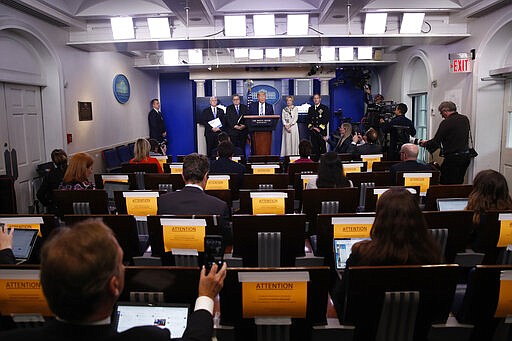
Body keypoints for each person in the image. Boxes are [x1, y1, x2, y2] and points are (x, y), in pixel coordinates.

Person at [0, 219, 227, 341]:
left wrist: (6, 255)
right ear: (114, 285)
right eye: (121, 264)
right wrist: (206, 297)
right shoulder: (147, 337)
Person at [158, 153, 232, 244]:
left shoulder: (162, 201)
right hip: (206, 257)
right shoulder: (219, 206)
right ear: (206, 177)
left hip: (170, 257)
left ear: (183, 176)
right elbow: (228, 240)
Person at [420, 101, 470, 184]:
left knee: (446, 183)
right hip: (465, 157)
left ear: (445, 111)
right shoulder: (465, 119)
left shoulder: (446, 122)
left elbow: (436, 141)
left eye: (441, 113)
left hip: (452, 159)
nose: (442, 116)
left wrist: (424, 143)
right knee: (459, 182)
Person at [37, 149, 68, 214]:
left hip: (56, 209)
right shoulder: (74, 171)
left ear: (53, 162)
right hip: (73, 208)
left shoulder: (50, 174)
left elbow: (40, 194)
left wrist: (48, 204)